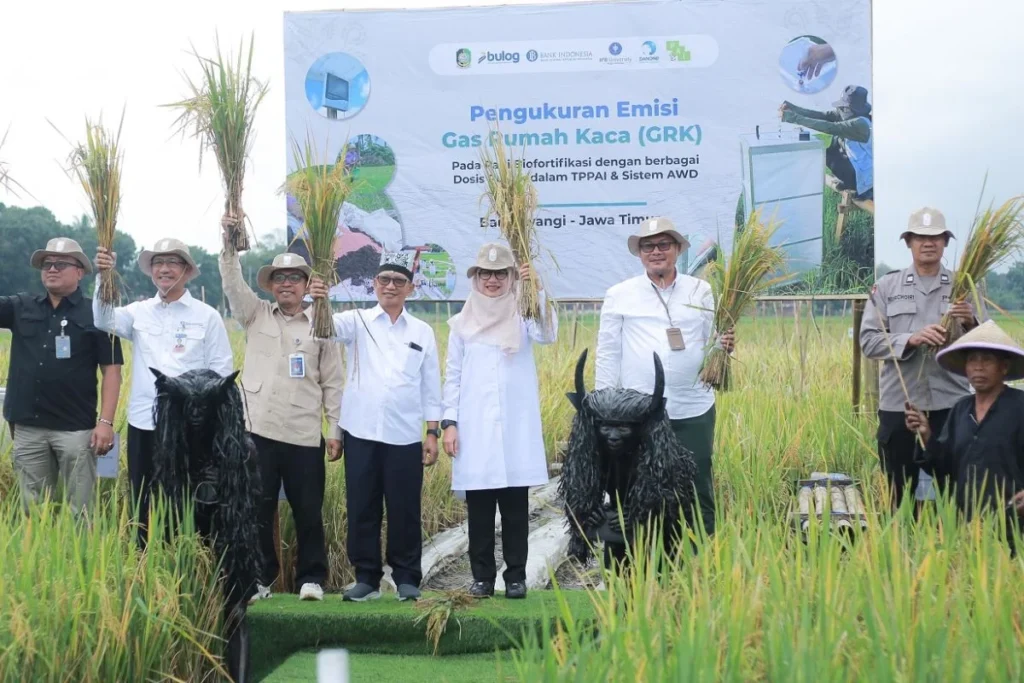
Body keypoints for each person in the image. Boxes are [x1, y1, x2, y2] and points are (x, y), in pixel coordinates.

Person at [219, 215, 343, 603]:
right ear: (271, 286)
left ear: (308, 286)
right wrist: (228, 244)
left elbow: (334, 381)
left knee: (308, 511)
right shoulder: (255, 314)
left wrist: (335, 430)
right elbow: (231, 283)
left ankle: (311, 579)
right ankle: (260, 579)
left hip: (304, 433)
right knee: (257, 510)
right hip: (257, 431)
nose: (286, 285)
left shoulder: (322, 323)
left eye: (294, 279)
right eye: (280, 279)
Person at [308, 250, 442, 603]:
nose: (391, 287)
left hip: (403, 435)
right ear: (374, 285)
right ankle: (366, 577)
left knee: (404, 509)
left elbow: (431, 385)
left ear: (410, 289)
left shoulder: (422, 331)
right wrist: (319, 296)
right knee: (362, 506)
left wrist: (432, 432)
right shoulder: (357, 321)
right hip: (361, 432)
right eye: (384, 280)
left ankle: (407, 577)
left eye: (399, 282)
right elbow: (323, 328)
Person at [595, 217, 735, 538]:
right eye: (648, 246)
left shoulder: (700, 290)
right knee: (640, 484)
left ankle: (702, 557)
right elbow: (608, 354)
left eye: (663, 245)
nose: (656, 252)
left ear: (676, 249)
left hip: (693, 407)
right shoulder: (620, 294)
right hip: (639, 411)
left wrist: (723, 346)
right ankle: (646, 558)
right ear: (640, 253)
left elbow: (712, 341)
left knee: (697, 481)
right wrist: (605, 410)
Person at [93, 238, 234, 545]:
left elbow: (221, 373)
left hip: (191, 427)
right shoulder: (138, 312)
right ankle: (145, 562)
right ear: (151, 271)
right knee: (143, 496)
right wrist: (104, 275)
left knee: (189, 497)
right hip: (146, 422)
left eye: (173, 262)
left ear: (186, 271)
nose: (164, 269)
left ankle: (192, 559)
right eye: (158, 263)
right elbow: (102, 319)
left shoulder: (207, 316)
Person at [441, 243, 557, 599]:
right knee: (478, 509)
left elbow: (547, 334)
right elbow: (454, 375)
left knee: (515, 508)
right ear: (476, 278)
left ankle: (516, 576)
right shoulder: (461, 323)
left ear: (511, 278)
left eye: (500, 274)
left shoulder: (523, 314)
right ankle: (481, 577)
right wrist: (449, 423)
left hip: (514, 429)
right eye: (485, 274)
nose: (492, 281)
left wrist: (534, 291)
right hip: (474, 428)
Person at [860, 208, 985, 510]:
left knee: (955, 489)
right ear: (908, 242)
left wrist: (970, 322)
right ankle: (899, 548)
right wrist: (910, 339)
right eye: (920, 237)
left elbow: (986, 347)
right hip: (899, 403)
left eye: (935, 237)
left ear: (945, 242)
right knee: (898, 490)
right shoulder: (887, 287)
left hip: (951, 402)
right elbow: (868, 341)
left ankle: (954, 550)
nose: (928, 243)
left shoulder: (965, 287)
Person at [1, 237, 123, 518]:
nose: (52, 269)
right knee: (32, 508)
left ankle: (81, 558)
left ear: (80, 271)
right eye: (47, 264)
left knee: (81, 510)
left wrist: (105, 423)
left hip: (75, 430)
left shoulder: (98, 314)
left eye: (61, 264)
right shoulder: (21, 306)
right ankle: (38, 558)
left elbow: (112, 370)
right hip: (28, 427)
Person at [905, 321, 1024, 549]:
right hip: (968, 526)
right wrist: (926, 434)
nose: (978, 367)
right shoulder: (961, 410)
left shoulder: (1019, 407)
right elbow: (945, 467)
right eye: (972, 360)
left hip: (1014, 525)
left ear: (1004, 367)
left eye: (987, 360)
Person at [779, 85, 874, 200]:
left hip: (864, 179)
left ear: (852, 108)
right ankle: (848, 182)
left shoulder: (861, 124)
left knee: (831, 150)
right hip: (858, 168)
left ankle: (859, 189)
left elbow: (829, 127)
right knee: (833, 147)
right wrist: (792, 108)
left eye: (843, 107)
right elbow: (822, 116)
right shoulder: (851, 115)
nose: (840, 110)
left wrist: (794, 118)